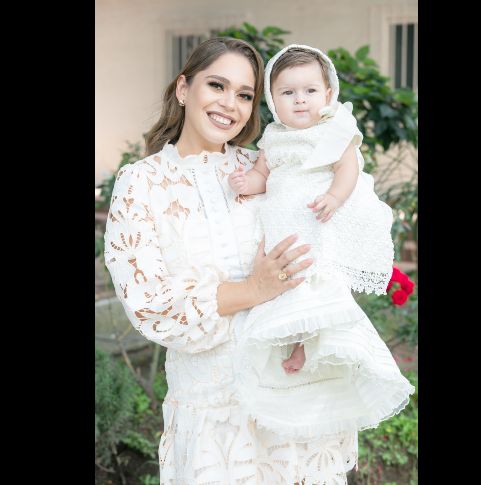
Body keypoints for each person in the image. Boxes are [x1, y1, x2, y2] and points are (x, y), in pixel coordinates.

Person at [103, 37, 358, 484]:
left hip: (294, 399)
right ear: (184, 89)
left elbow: (327, 244)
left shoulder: (270, 167)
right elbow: (150, 306)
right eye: (216, 85)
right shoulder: (142, 183)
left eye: (244, 94)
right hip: (213, 416)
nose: (229, 104)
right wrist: (254, 290)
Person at [228, 44, 415, 441]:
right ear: (272, 100)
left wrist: (334, 196)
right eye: (288, 92)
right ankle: (296, 341)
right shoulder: (273, 139)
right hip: (284, 220)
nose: (300, 100)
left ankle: (311, 345)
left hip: (317, 215)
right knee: (291, 285)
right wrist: (248, 183)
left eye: (310, 91)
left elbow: (348, 170)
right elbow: (263, 175)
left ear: (327, 94)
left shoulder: (334, 130)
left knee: (319, 284)